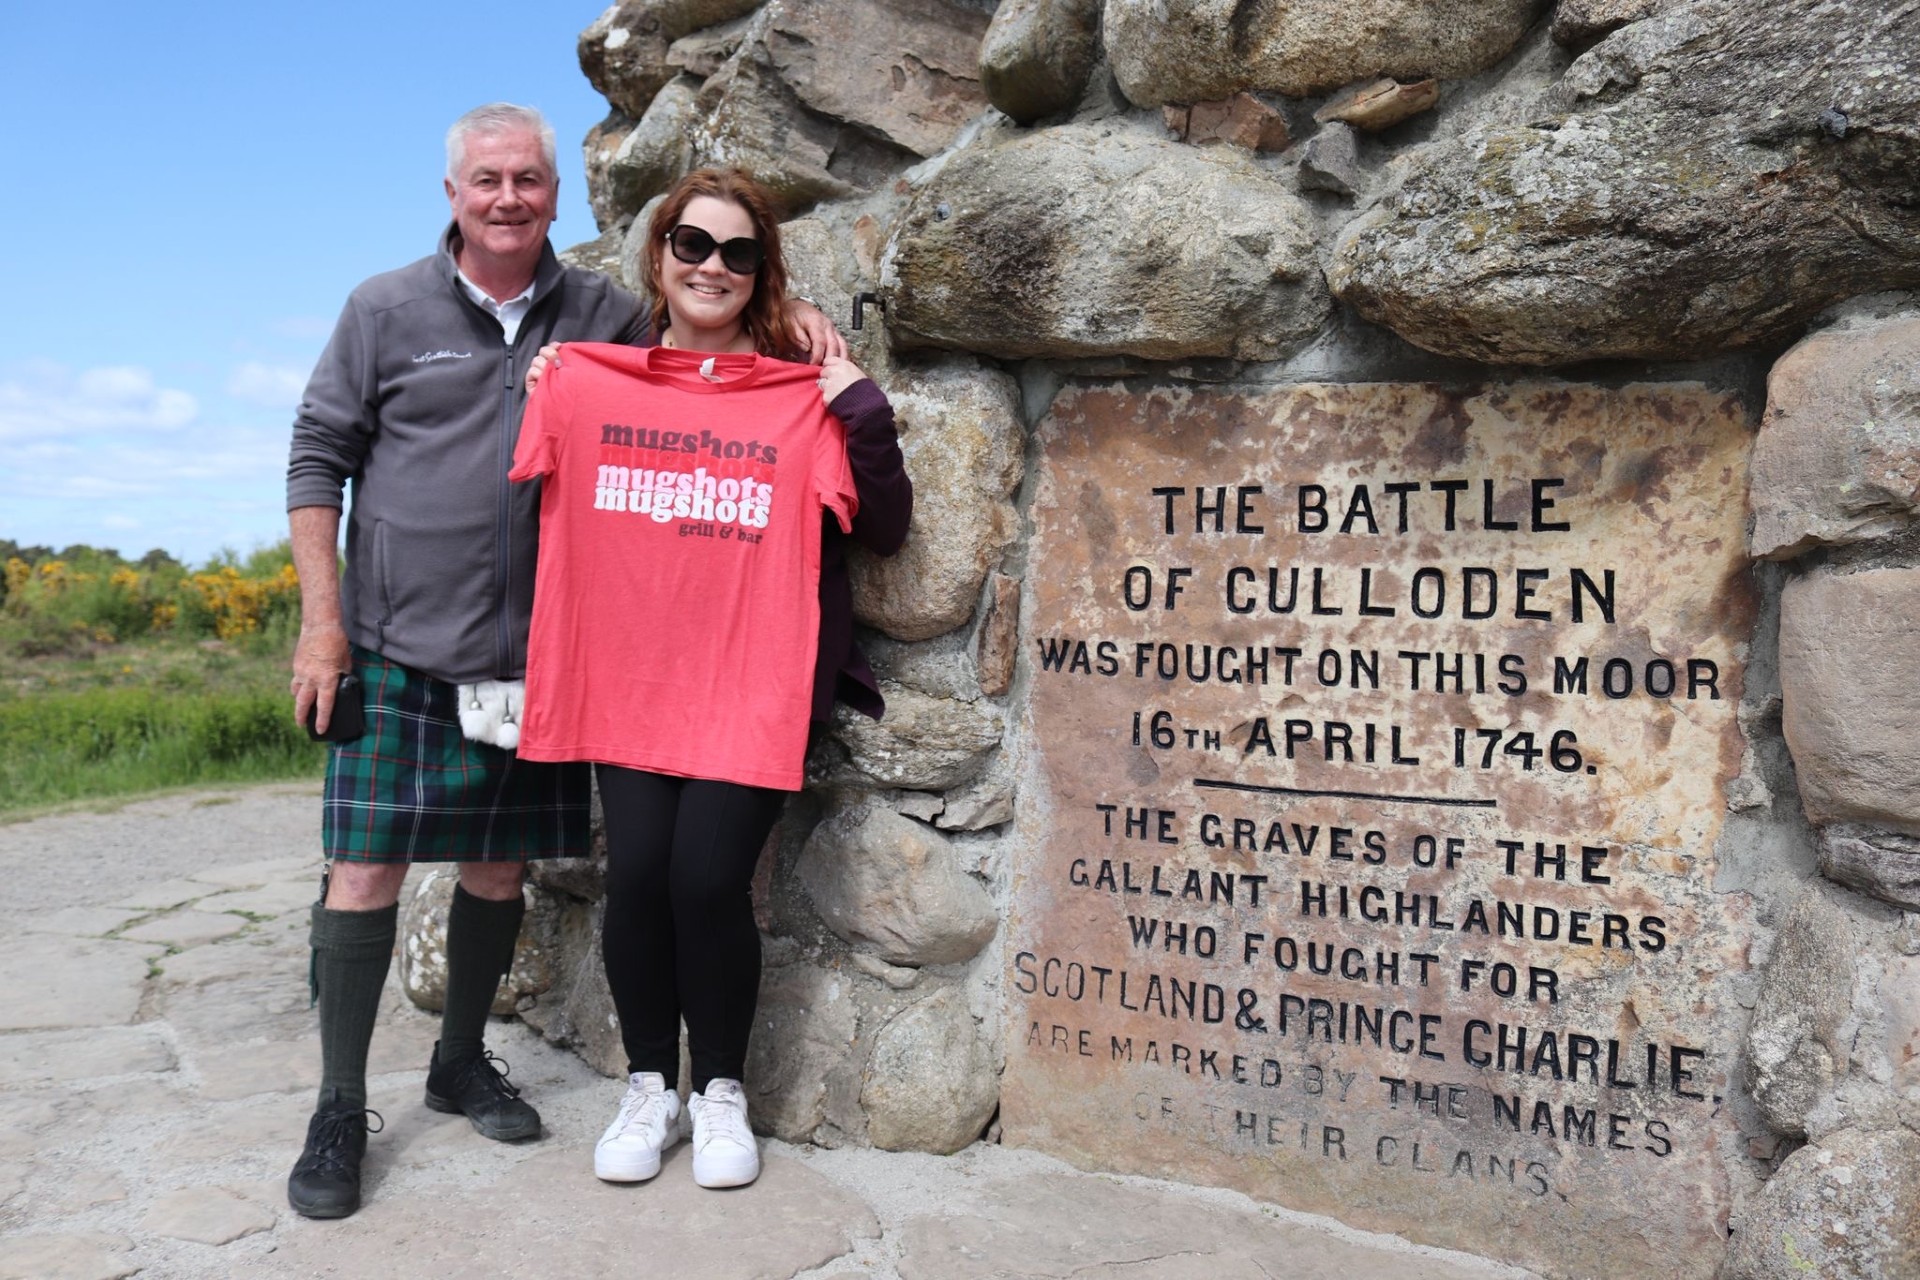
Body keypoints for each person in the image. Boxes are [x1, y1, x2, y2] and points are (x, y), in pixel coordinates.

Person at [282, 105, 844, 1220]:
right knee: (364, 871)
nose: (508, 196)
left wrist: (800, 321)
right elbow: (318, 455)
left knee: (502, 871)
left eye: (529, 179)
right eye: (487, 179)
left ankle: (458, 1059)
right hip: (398, 641)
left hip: (542, 651)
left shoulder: (599, 314)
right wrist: (323, 622)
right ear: (452, 192)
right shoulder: (383, 309)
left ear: (554, 195)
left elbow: (707, 333)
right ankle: (339, 1105)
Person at [511, 168, 910, 1189]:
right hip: (632, 675)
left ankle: (721, 1086)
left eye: (739, 253)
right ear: (661, 255)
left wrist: (854, 403)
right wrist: (551, 385)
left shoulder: (799, 394)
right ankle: (652, 1086)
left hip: (751, 678)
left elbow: (886, 525)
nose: (713, 268)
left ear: (760, 272)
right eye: (695, 245)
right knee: (637, 876)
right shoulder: (594, 379)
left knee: (705, 879)